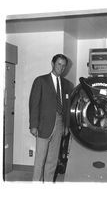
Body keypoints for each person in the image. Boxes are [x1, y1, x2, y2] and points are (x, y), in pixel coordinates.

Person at [29, 54, 72, 182]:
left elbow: (67, 108)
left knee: (53, 160)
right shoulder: (41, 81)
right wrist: (33, 125)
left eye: (64, 65)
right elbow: (34, 104)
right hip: (43, 125)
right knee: (40, 159)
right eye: (59, 64)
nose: (61, 67)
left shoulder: (67, 84)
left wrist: (66, 126)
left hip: (59, 125)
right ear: (52, 64)